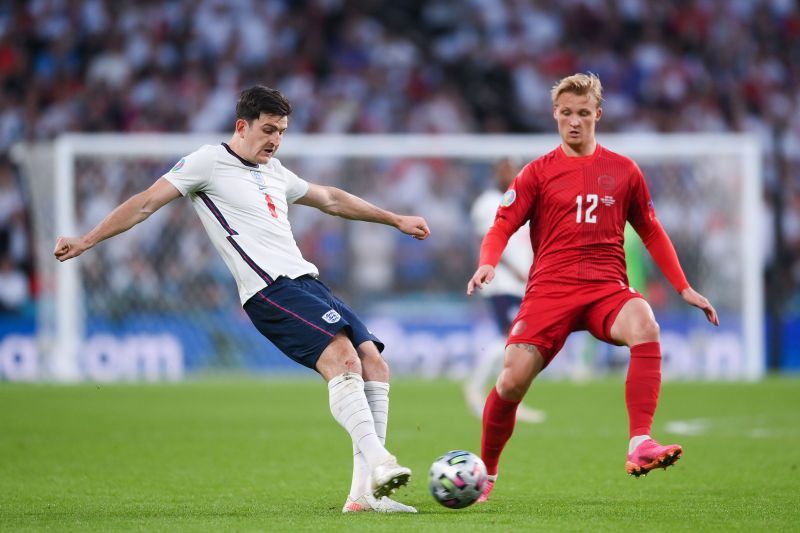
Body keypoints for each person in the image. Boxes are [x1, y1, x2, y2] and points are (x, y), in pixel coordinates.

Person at [54, 86, 430, 513]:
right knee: (342, 359)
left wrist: (395, 218)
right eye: (268, 130)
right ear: (242, 126)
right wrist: (86, 240)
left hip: (307, 282)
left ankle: (364, 494)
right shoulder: (206, 162)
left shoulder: (276, 171)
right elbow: (144, 205)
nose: (275, 140)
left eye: (282, 132)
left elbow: (330, 198)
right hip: (269, 290)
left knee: (374, 363)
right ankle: (379, 462)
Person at [466, 73, 718, 501]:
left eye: (583, 113)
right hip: (550, 291)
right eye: (566, 114)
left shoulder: (623, 171)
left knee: (645, 324)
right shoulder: (537, 173)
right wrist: (487, 263)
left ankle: (640, 443)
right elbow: (503, 224)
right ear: (555, 116)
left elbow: (652, 230)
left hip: (607, 289)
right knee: (510, 382)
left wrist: (683, 287)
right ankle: (486, 473)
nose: (574, 122)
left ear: (597, 114)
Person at [465, 158, 544, 423]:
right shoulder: (488, 202)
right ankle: (476, 389)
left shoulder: (523, 198)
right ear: (495, 173)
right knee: (511, 338)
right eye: (504, 169)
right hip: (500, 281)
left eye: (513, 170)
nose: (509, 174)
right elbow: (488, 238)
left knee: (515, 340)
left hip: (523, 283)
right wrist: (513, 270)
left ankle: (507, 398)